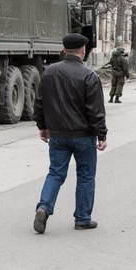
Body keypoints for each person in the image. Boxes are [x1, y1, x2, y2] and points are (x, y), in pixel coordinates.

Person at [33, 33, 107, 234]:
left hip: (57, 135)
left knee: (56, 172)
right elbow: (95, 111)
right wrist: (101, 135)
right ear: (83, 51)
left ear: (64, 50)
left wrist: (43, 126)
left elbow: (39, 102)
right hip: (83, 135)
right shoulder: (89, 76)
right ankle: (82, 218)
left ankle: (44, 207)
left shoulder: (48, 72)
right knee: (86, 176)